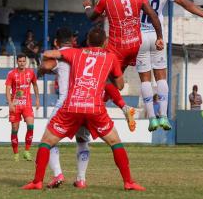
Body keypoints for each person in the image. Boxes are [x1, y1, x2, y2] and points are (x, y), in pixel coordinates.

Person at [22, 27, 145, 191]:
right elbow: (120, 85)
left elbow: (49, 55)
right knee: (115, 142)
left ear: (87, 41)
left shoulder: (76, 53)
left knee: (46, 142)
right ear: (104, 42)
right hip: (94, 108)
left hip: (71, 105)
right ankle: (128, 182)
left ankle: (38, 181)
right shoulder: (110, 57)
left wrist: (53, 54)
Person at [127, 0, 203, 131]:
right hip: (158, 37)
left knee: (145, 79)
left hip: (140, 37)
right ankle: (163, 116)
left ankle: (151, 119)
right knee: (161, 77)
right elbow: (187, 5)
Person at [83, 0, 164, 132]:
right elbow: (153, 15)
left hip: (117, 49)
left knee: (104, 81)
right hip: (135, 45)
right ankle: (98, 112)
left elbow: (92, 17)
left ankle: (123, 109)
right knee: (114, 83)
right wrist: (160, 37)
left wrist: (87, 7)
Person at [38, 27, 91, 189]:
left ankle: (58, 174)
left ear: (56, 42)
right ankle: (81, 179)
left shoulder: (59, 56)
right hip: (83, 102)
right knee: (82, 140)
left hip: (65, 103)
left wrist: (40, 69)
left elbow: (45, 67)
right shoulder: (82, 55)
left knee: (48, 140)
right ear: (73, 41)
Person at [5, 53, 40, 161]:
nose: (22, 63)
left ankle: (27, 151)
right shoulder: (11, 74)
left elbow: (34, 85)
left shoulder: (31, 73)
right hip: (15, 104)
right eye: (20, 61)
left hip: (27, 104)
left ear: (26, 61)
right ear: (17, 62)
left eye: (23, 61)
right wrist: (10, 103)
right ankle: (16, 153)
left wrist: (37, 99)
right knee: (15, 129)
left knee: (31, 126)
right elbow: (7, 89)